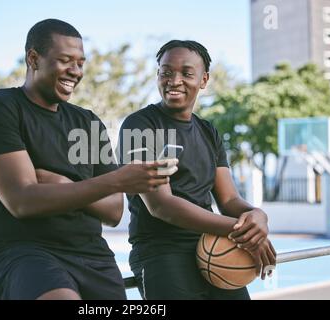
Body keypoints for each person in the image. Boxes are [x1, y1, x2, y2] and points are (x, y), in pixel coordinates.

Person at [0, 19, 177, 300]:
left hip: (93, 256)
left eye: (80, 63)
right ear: (33, 58)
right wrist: (114, 181)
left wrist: (62, 182)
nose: (75, 72)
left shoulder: (87, 121)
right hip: (25, 254)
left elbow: (114, 211)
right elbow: (23, 201)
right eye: (65, 61)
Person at [118, 40, 277, 300]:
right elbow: (162, 205)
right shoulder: (140, 125)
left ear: (203, 80)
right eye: (166, 72)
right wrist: (244, 232)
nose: (174, 80)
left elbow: (228, 200)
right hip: (162, 251)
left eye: (186, 73)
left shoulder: (208, 131)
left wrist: (257, 217)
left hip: (213, 245)